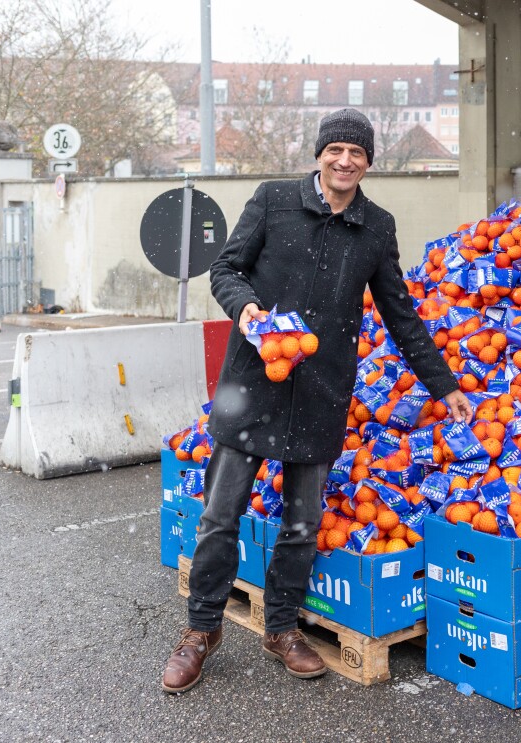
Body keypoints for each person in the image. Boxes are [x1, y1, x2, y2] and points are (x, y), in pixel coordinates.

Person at [162, 108, 474, 693]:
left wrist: (444, 385)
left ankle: (281, 629)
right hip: (252, 383)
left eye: (357, 153)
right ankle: (200, 631)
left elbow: (400, 313)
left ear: (368, 162)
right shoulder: (273, 200)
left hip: (321, 392)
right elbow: (226, 269)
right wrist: (245, 308)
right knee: (220, 515)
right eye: (336, 150)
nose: (345, 161)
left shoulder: (375, 227)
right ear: (320, 154)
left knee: (302, 525)